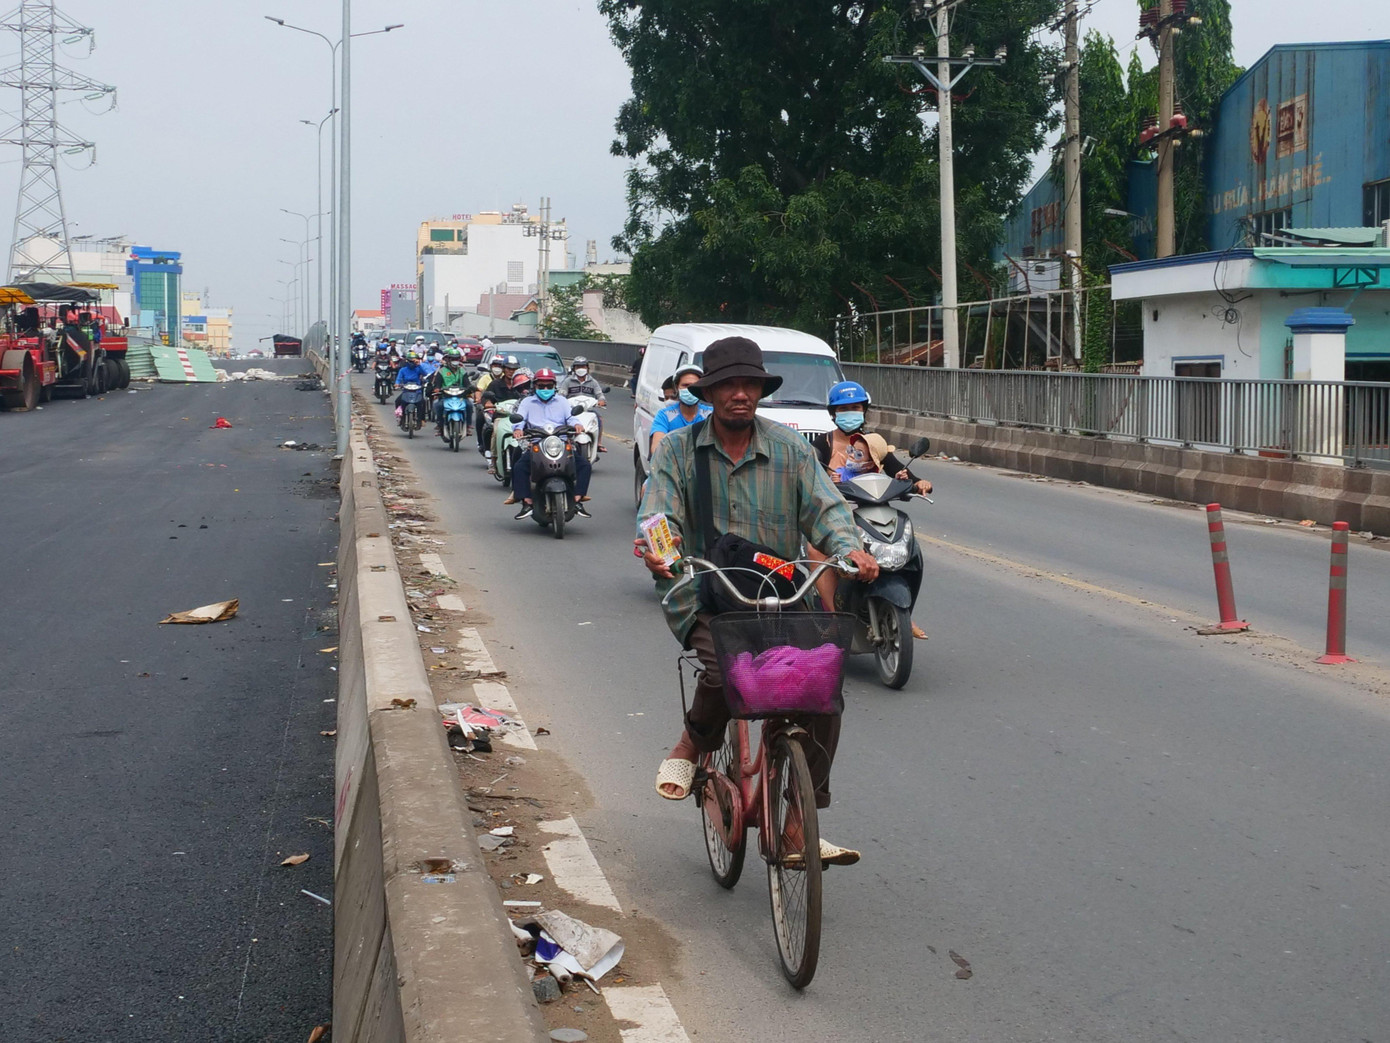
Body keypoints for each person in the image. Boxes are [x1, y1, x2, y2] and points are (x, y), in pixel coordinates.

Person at [636, 337, 880, 866]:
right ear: (711, 393)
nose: (740, 394)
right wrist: (662, 552)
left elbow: (828, 510)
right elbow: (658, 516)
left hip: (777, 589)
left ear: (760, 391)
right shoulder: (680, 450)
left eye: (749, 384)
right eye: (728, 385)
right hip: (703, 591)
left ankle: (798, 822)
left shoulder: (790, 450)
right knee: (729, 670)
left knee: (822, 683)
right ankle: (691, 746)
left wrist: (850, 549)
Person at [808, 380, 932, 638]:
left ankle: (904, 615)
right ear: (833, 413)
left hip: (874, 513)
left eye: (855, 407)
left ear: (864, 410)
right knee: (815, 549)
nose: (850, 413)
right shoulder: (822, 446)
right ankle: (834, 617)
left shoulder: (871, 443)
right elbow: (810, 476)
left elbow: (899, 470)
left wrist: (917, 483)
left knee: (911, 551)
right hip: (837, 514)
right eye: (844, 409)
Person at [509, 368, 592, 520]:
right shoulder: (527, 402)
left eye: (549, 386)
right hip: (536, 443)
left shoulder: (562, 401)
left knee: (584, 466)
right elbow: (519, 420)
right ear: (535, 386)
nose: (545, 389)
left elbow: (571, 417)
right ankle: (526, 502)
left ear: (554, 386)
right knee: (520, 467)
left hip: (560, 442)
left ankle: (578, 499)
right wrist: (518, 430)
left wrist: (577, 425)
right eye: (541, 386)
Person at [648, 363, 713, 455]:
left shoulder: (711, 414)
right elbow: (657, 449)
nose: (690, 389)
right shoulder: (664, 416)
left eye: (694, 385)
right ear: (676, 388)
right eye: (685, 385)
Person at [558, 355, 608, 453]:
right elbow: (561, 394)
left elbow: (599, 394)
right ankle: (563, 441)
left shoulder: (593, 382)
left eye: (583, 367)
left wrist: (601, 401)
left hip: (588, 409)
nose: (581, 369)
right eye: (578, 367)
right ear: (574, 369)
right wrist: (562, 400)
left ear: (587, 368)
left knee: (599, 419)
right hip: (572, 410)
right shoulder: (568, 381)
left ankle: (598, 443)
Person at [428, 346, 473, 435]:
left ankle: (467, 426)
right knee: (437, 405)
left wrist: (470, 389)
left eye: (456, 359)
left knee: (469, 404)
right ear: (448, 359)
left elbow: (467, 384)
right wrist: (437, 389)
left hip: (460, 396)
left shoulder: (462, 371)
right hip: (445, 396)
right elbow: (437, 384)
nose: (455, 360)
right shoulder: (442, 371)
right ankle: (440, 426)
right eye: (453, 359)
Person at [392, 349, 431, 422]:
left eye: (413, 361)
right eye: (410, 361)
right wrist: (397, 384)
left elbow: (425, 374)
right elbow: (398, 379)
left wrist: (419, 365)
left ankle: (421, 419)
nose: (412, 363)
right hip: (406, 391)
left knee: (423, 402)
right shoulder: (403, 370)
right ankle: (400, 416)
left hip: (417, 391)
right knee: (398, 401)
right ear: (407, 361)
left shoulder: (418, 369)